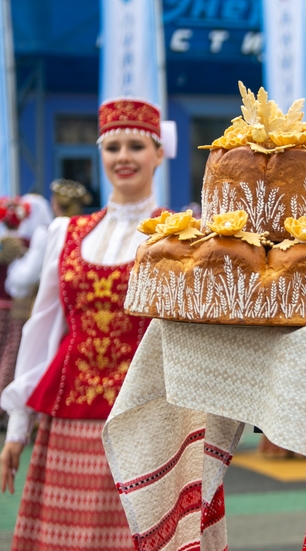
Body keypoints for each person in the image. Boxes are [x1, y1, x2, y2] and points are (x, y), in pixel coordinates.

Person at [0, 98, 167, 551]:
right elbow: (44, 329)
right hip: (68, 416)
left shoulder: (176, 234)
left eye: (136, 145)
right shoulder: (66, 233)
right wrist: (18, 425)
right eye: (113, 147)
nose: (124, 157)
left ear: (158, 153)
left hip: (145, 420)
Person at [1, 195, 54, 423]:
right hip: (17, 307)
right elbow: (22, 280)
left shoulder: (18, 241)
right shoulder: (27, 242)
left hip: (13, 306)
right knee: (12, 355)